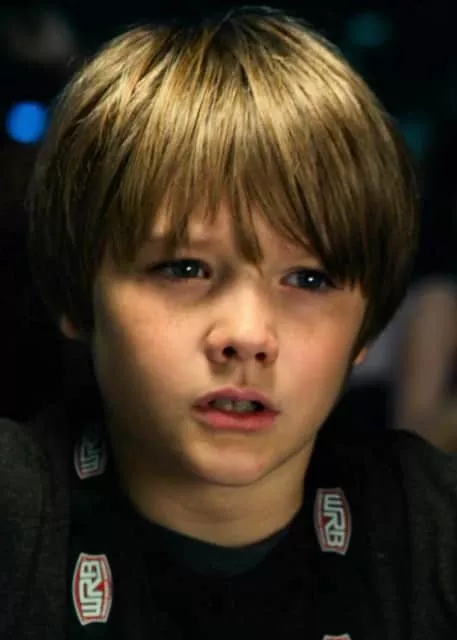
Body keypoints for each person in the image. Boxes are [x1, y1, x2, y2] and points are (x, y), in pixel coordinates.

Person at [1, 6, 456, 639]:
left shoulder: (430, 533)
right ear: (79, 298)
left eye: (309, 280)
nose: (247, 335)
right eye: (184, 268)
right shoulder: (18, 514)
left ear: (366, 330)